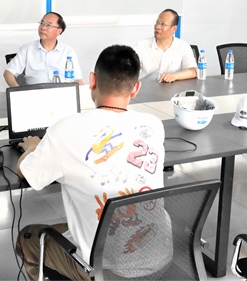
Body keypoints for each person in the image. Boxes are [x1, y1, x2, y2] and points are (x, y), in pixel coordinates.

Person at [14, 45, 168, 280]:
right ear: (136, 88)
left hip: (105, 270)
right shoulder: (153, 125)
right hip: (161, 258)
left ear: (92, 80)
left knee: (28, 238)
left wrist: (33, 147)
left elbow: (24, 171)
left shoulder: (64, 130)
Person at [4, 12, 84, 87]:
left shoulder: (68, 51)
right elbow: (8, 73)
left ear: (59, 31)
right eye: (42, 23)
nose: (43, 28)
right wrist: (18, 91)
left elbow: (78, 80)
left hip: (62, 93)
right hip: (35, 94)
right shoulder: (27, 49)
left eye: (48, 25)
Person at [134, 8, 197, 82]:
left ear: (174, 28)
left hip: (172, 88)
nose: (157, 27)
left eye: (163, 24)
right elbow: (126, 71)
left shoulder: (183, 46)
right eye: (157, 22)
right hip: (144, 87)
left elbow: (194, 71)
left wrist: (174, 76)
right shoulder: (141, 46)